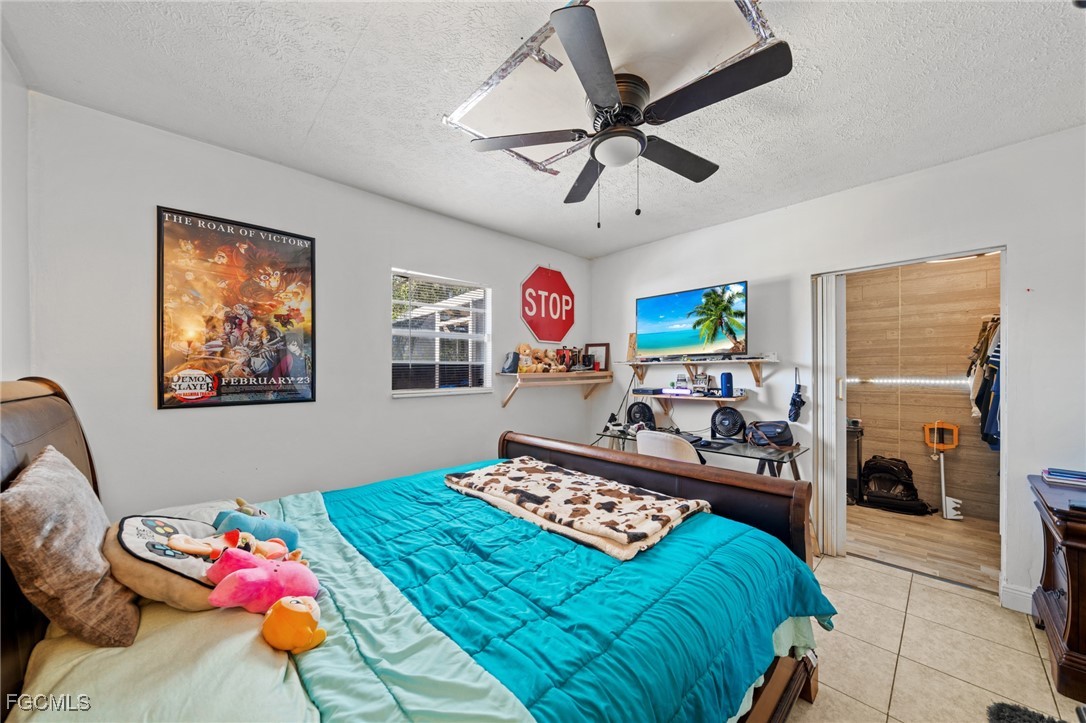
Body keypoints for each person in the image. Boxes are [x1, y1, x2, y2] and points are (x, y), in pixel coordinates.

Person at [271, 333, 312, 399]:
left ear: (298, 344)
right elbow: (276, 372)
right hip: (289, 390)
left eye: (293, 344)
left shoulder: (306, 357)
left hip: (305, 390)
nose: (290, 347)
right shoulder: (288, 358)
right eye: (288, 344)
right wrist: (277, 385)